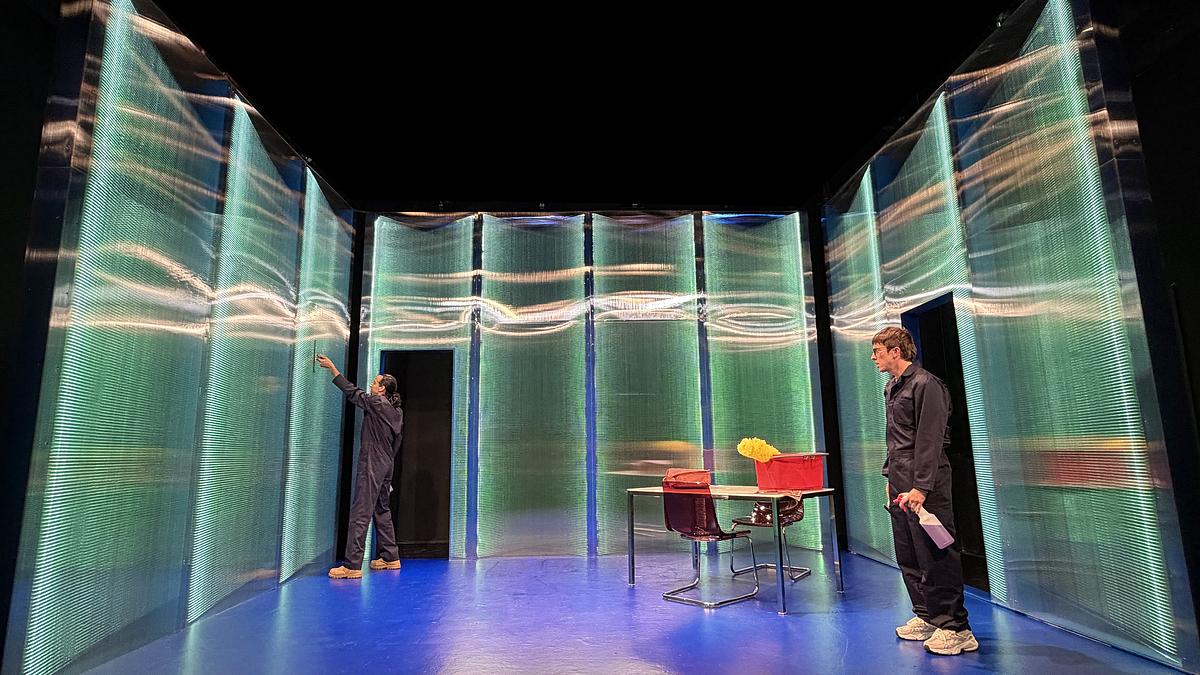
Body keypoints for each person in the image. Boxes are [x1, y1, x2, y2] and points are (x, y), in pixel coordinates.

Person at [870, 326, 977, 655]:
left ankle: (956, 628)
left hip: (926, 481)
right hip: (900, 479)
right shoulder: (892, 387)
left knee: (935, 552)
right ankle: (928, 616)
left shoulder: (926, 384)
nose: (873, 358)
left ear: (896, 351)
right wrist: (891, 476)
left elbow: (930, 440)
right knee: (909, 553)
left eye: (878, 351)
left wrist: (921, 486)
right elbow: (896, 440)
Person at [316, 354, 404, 579]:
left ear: (382, 389)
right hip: (387, 463)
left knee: (360, 511)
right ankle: (390, 556)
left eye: (375, 382)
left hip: (372, 462)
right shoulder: (396, 411)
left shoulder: (377, 403)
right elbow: (397, 441)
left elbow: (353, 392)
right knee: (381, 509)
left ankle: (352, 565)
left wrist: (333, 369)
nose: (372, 385)